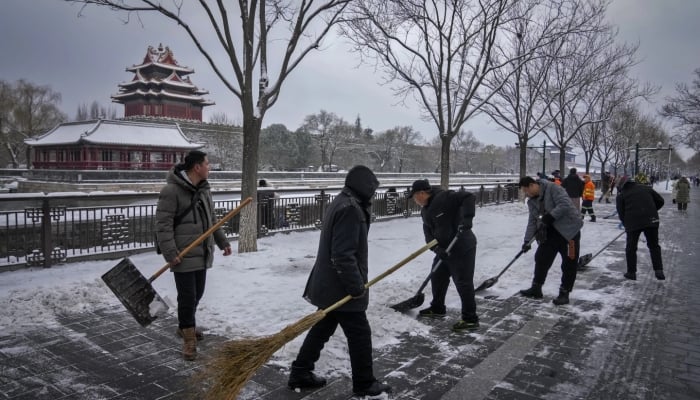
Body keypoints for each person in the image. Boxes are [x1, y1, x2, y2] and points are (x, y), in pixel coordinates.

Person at [288, 165, 391, 398]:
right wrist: (356, 288)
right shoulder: (351, 209)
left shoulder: (342, 201)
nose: (374, 194)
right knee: (360, 334)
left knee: (322, 328)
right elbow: (343, 254)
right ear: (364, 187)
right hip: (341, 286)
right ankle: (364, 384)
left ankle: (300, 372)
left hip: (330, 283)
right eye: (372, 189)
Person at [155, 150, 232, 361]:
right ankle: (189, 339)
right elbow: (163, 225)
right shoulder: (171, 191)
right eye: (207, 164)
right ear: (197, 167)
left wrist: (222, 241)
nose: (210, 167)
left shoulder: (205, 190)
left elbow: (212, 220)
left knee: (197, 294)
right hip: (183, 254)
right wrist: (170, 253)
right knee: (188, 297)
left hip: (202, 251)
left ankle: (185, 325)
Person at [407, 179, 479, 332]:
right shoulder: (424, 211)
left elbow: (468, 197)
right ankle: (438, 308)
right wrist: (437, 249)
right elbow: (428, 235)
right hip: (444, 250)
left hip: (461, 246)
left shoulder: (444, 197)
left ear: (421, 193)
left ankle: (470, 319)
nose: (414, 200)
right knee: (437, 276)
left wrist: (467, 218)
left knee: (463, 282)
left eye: (414, 197)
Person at [517, 176, 583, 305]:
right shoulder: (532, 201)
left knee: (569, 263)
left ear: (532, 185)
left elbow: (564, 205)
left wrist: (550, 216)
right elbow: (532, 221)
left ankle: (564, 293)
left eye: (526, 190)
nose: (526, 194)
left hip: (569, 232)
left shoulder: (553, 188)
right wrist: (527, 241)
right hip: (550, 233)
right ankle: (536, 288)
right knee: (541, 258)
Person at [616, 177, 665, 281]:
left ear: (622, 186)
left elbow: (621, 214)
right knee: (654, 246)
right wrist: (651, 210)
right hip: (651, 221)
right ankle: (659, 270)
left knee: (631, 248)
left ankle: (631, 273)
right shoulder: (646, 188)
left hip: (633, 223)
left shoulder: (621, 196)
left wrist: (627, 224)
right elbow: (661, 201)